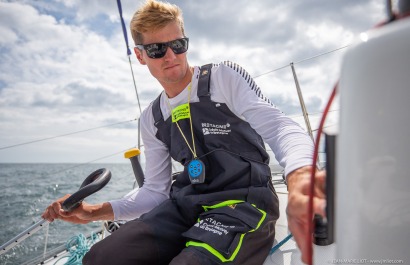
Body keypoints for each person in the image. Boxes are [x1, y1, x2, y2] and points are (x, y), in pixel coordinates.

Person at [42, 0, 326, 264]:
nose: (171, 55)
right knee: (100, 257)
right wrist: (94, 212)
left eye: (178, 44)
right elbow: (154, 191)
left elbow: (279, 126)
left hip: (244, 203)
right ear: (141, 56)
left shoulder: (222, 78)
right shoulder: (152, 118)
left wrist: (301, 176)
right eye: (157, 50)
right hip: (185, 206)